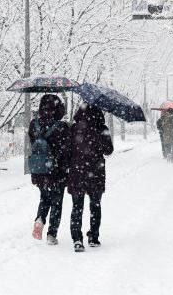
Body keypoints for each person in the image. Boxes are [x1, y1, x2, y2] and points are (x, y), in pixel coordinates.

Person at [68, 103, 114, 252]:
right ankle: (93, 237)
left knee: (77, 206)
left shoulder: (74, 129)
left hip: (77, 171)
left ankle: (77, 239)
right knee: (95, 205)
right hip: (96, 172)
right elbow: (109, 150)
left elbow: (67, 150)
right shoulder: (102, 129)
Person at [29, 94, 71, 245]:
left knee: (44, 198)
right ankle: (51, 234)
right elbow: (67, 151)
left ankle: (40, 219)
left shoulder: (34, 124)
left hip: (39, 170)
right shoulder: (61, 127)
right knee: (57, 202)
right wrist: (65, 167)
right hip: (56, 171)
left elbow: (34, 144)